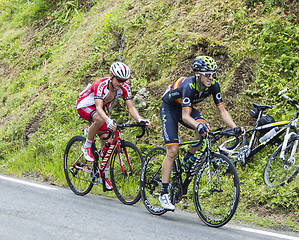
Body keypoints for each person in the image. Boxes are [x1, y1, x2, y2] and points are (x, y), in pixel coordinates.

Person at [159, 56, 244, 210]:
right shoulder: (189, 86)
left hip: (187, 108)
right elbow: (185, 117)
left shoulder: (213, 85)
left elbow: (222, 111)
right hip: (170, 108)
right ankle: (163, 193)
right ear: (197, 73)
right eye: (207, 74)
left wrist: (234, 127)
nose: (211, 78)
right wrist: (197, 126)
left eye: (212, 74)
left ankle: (188, 158)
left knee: (204, 127)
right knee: (172, 151)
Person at [76, 62, 150, 190]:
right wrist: (108, 120)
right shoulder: (100, 84)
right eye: (119, 80)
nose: (121, 83)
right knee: (99, 119)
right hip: (86, 105)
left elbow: (131, 107)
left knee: (108, 142)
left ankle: (103, 176)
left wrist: (140, 119)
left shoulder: (124, 87)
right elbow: (98, 107)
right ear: (111, 75)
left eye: (124, 81)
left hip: (100, 110)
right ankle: (87, 145)